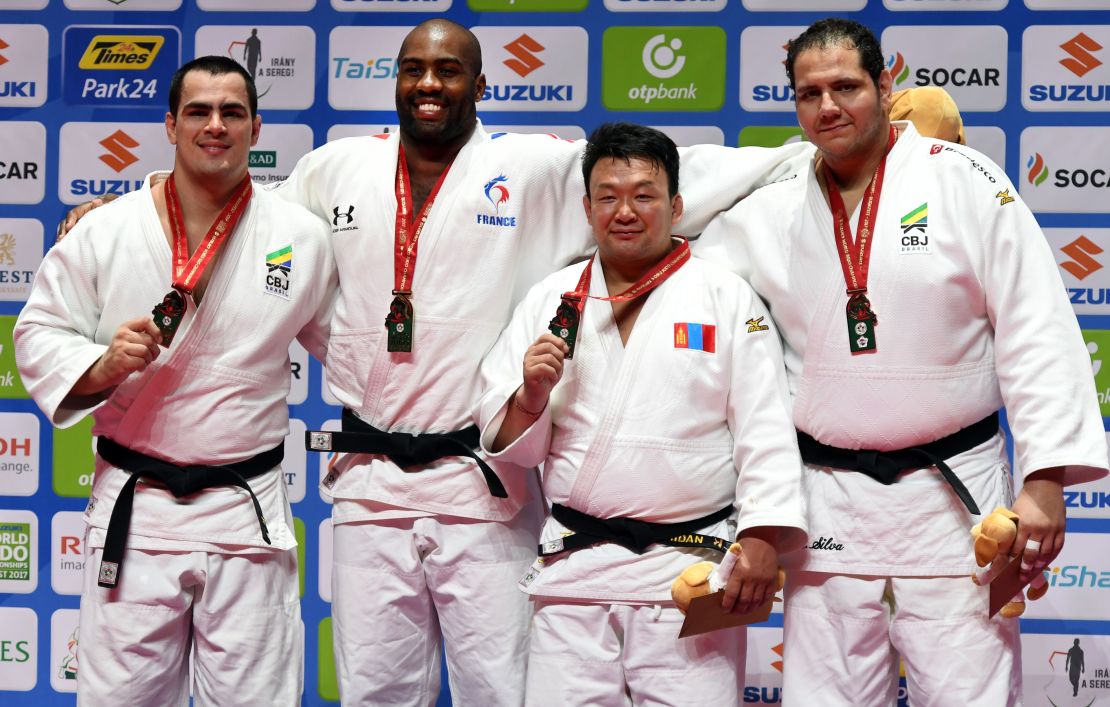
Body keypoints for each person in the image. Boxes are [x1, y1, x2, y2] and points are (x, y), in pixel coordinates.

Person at [695, 18, 1108, 706]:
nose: (828, 106)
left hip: (954, 505)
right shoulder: (768, 210)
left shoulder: (967, 183)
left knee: (967, 693)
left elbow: (1035, 328)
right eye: (809, 93)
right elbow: (691, 297)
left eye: (846, 86)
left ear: (887, 87)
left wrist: (1045, 477)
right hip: (828, 502)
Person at [15, 56, 336, 706]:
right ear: (170, 123)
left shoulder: (300, 237)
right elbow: (38, 331)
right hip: (138, 509)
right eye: (198, 111)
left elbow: (356, 350)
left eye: (232, 112)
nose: (214, 126)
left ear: (257, 127)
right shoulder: (105, 230)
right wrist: (100, 365)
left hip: (245, 507)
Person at [474, 122, 807, 706]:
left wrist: (760, 536)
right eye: (608, 196)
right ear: (586, 207)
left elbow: (765, 430)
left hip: (690, 573)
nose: (624, 211)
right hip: (575, 572)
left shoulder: (726, 298)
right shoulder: (550, 300)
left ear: (676, 205)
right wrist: (530, 396)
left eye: (644, 195)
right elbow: (512, 453)